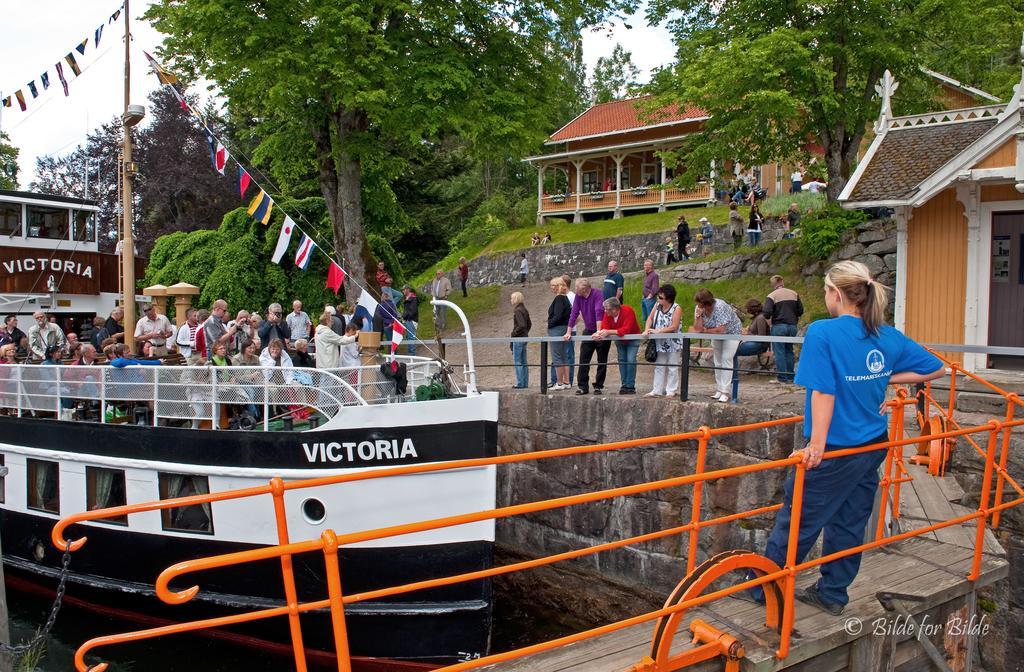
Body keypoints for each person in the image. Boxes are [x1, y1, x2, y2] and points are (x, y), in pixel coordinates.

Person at [747, 261, 945, 615]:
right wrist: (884, 377)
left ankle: (763, 590)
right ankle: (833, 593)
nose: (825, 297)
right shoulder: (886, 334)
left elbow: (824, 393)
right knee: (850, 521)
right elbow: (936, 367)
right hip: (873, 445)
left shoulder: (824, 333)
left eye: (826, 291)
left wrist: (816, 446)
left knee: (798, 520)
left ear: (836, 294)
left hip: (836, 448)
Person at [691, 288, 742, 403]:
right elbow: (698, 329)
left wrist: (706, 330)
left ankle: (725, 391)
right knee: (717, 360)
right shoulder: (699, 308)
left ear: (706, 303)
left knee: (726, 359)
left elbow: (721, 330)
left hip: (732, 333)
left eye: (700, 304)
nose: (698, 306)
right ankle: (719, 388)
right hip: (715, 334)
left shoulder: (720, 306)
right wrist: (698, 317)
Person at [565, 278, 607, 395]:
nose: (575, 290)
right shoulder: (579, 297)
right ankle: (583, 386)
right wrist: (568, 332)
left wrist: (599, 332)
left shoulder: (597, 294)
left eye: (576, 288)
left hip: (601, 329)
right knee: (584, 358)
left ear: (583, 289)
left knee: (602, 359)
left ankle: (598, 385)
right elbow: (574, 313)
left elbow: (599, 311)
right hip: (588, 330)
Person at [593, 297, 641, 395]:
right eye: (605, 309)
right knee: (622, 360)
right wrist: (599, 333)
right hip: (619, 339)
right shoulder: (608, 314)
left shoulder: (628, 310)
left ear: (615, 309)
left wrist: (608, 332)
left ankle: (630, 386)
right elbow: (604, 327)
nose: (605, 312)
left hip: (633, 338)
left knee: (631, 360)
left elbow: (625, 329)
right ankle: (624, 385)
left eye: (607, 309)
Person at [643, 284, 682, 397]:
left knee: (672, 366)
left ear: (668, 299)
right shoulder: (657, 305)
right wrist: (647, 330)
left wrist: (658, 331)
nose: (658, 299)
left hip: (673, 342)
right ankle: (657, 390)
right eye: (658, 297)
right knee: (659, 366)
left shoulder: (676, 308)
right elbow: (650, 318)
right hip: (660, 342)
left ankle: (671, 390)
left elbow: (674, 326)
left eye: (661, 298)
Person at [763, 275, 804, 384]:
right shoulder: (794, 293)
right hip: (792, 326)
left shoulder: (772, 296)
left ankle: (782, 378)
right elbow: (800, 310)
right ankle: (791, 376)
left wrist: (770, 321)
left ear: (773, 284)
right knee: (789, 351)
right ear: (782, 281)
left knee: (779, 352)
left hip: (779, 326)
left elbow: (766, 312)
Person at [546, 277, 572, 390]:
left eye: (552, 285)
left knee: (557, 356)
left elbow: (557, 315)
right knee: (564, 356)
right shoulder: (565, 298)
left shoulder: (559, 299)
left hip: (557, 329)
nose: (551, 287)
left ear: (557, 286)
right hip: (564, 328)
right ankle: (566, 382)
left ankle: (560, 383)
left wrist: (549, 324)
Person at [510, 292, 531, 389]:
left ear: (515, 299)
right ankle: (525, 383)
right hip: (524, 337)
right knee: (524, 361)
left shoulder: (518, 310)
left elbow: (522, 325)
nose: (511, 300)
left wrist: (514, 333)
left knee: (518, 361)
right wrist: (525, 332)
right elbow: (529, 324)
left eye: (512, 298)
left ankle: (520, 383)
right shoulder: (524, 309)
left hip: (518, 338)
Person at [401, 285, 419, 356]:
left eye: (404, 290)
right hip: (407, 320)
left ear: (408, 290)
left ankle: (412, 354)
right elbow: (407, 310)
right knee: (409, 337)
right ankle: (410, 353)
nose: (403, 291)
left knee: (411, 337)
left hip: (411, 320)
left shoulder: (413, 298)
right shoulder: (407, 298)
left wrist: (405, 317)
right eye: (402, 290)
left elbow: (413, 311)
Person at [641, 259, 660, 326]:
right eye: (644, 265)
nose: (644, 266)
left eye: (646, 265)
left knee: (650, 317)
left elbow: (655, 288)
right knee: (645, 317)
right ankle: (646, 330)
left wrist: (650, 296)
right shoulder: (647, 276)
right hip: (644, 298)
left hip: (650, 299)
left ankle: (651, 332)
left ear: (650, 266)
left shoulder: (654, 275)